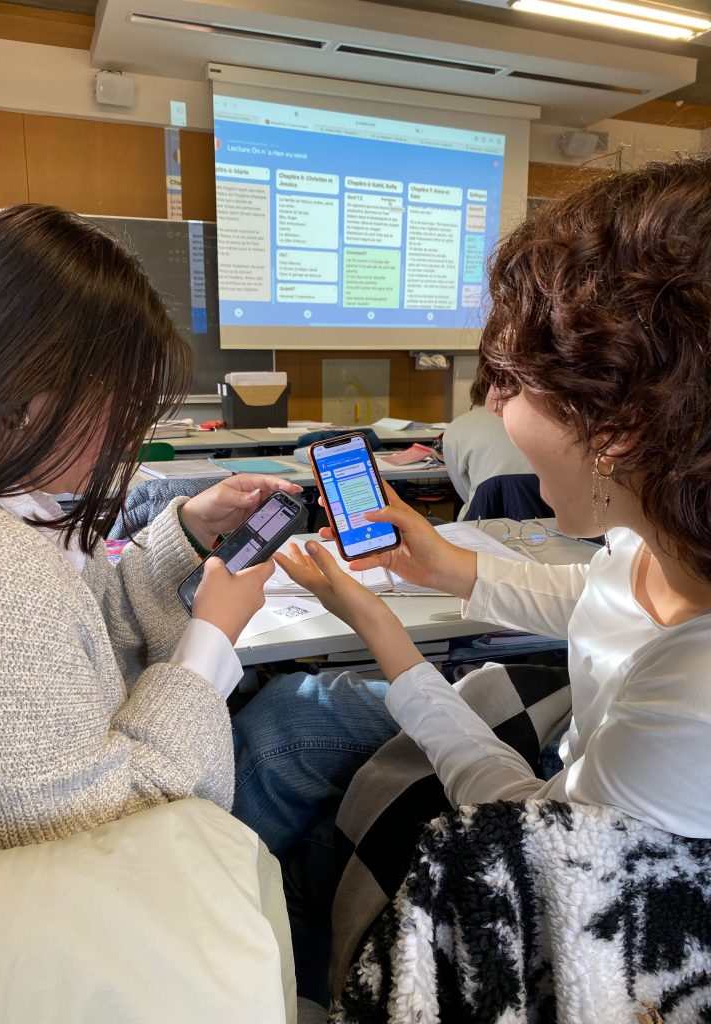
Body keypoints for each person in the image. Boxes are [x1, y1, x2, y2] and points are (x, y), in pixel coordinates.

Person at [231, 156, 711, 999]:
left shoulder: (693, 704)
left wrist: (382, 635)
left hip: (560, 864)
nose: (491, 406)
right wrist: (446, 566)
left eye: (514, 384)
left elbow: (530, 833)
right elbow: (605, 599)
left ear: (622, 427)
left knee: (288, 753)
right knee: (290, 725)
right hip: (570, 752)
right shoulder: (662, 532)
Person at [0, 203, 301, 857]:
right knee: (321, 720)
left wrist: (187, 529)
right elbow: (108, 831)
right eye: (125, 402)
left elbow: (85, 630)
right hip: (127, 872)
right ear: (26, 389)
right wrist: (210, 639)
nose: (133, 432)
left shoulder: (6, 507)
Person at [442, 364, 532, 518]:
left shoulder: (458, 428)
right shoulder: (552, 426)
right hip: (549, 523)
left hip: (481, 522)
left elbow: (464, 490)